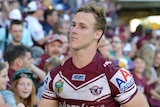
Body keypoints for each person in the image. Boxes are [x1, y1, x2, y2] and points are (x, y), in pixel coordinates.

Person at [38, 3, 149, 107]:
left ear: (97, 34)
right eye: (73, 25)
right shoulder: (55, 75)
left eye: (82, 27)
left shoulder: (115, 75)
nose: (74, 30)